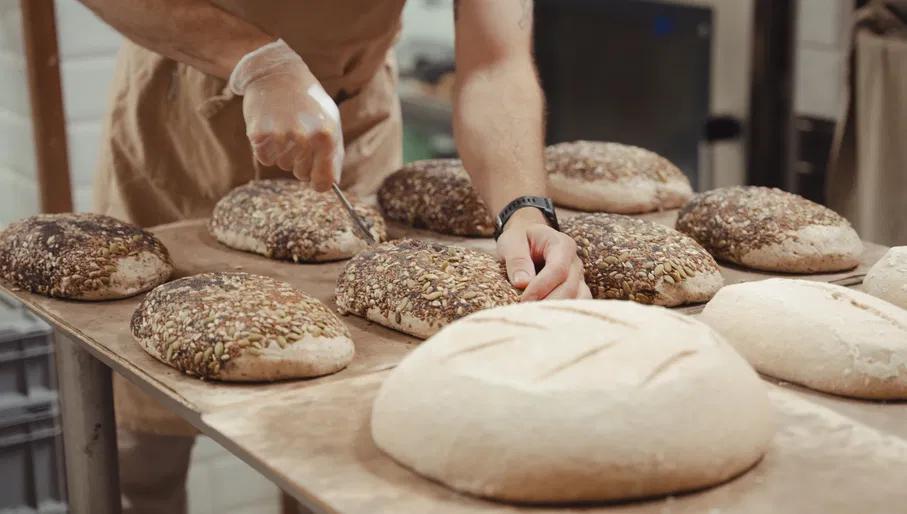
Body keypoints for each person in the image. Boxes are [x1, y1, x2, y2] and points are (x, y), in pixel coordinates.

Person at [79, 0, 591, 512]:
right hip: (184, 114)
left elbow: (494, 64)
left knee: (339, 439)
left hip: (351, 114)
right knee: (142, 451)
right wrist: (255, 60)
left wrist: (523, 210)